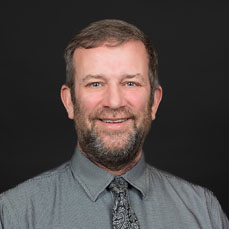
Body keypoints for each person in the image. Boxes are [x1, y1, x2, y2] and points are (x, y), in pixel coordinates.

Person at [0, 19, 228, 229]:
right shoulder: (15, 214)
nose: (114, 102)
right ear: (69, 101)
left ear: (154, 102)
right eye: (96, 84)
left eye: (130, 83)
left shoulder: (204, 211)